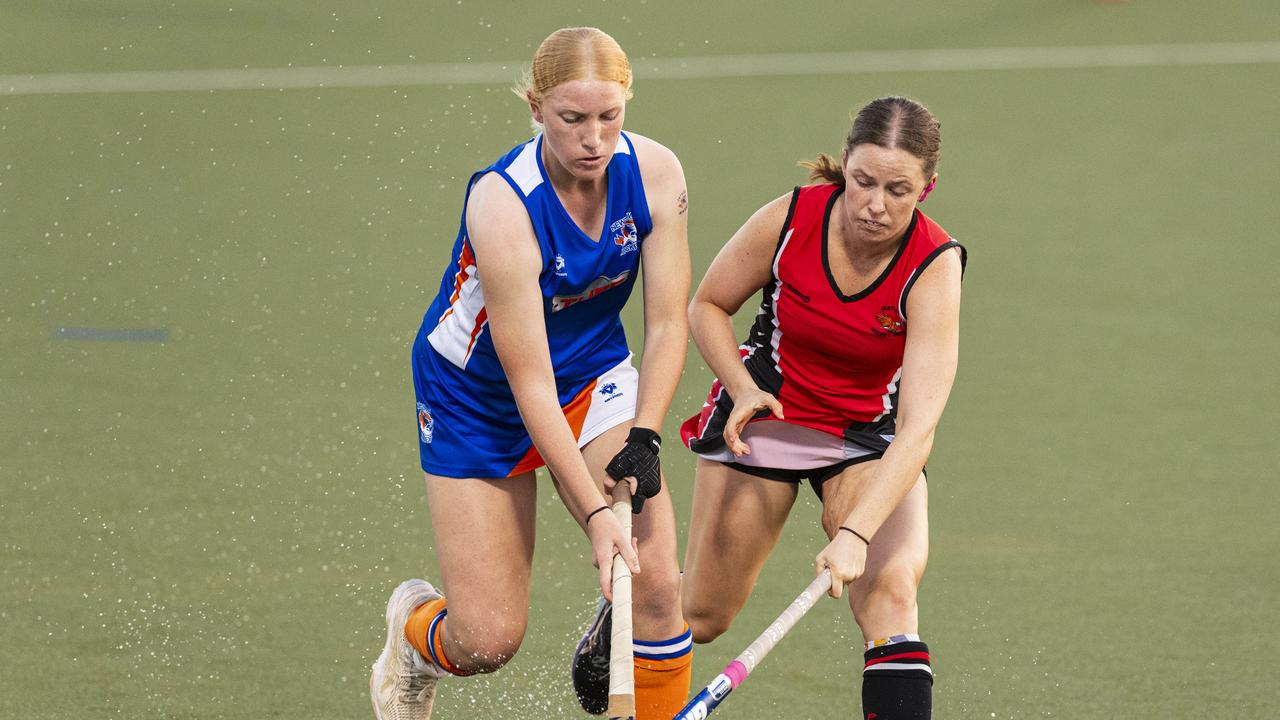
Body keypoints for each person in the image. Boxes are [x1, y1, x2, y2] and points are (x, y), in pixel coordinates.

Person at [369, 27, 693, 720]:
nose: (594, 139)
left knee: (659, 581)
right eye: (572, 119)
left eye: (610, 116)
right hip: (476, 397)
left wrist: (647, 435)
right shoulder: (503, 205)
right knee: (486, 641)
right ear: (537, 107)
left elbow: (668, 322)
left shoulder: (658, 174)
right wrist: (599, 515)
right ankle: (414, 634)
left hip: (591, 372)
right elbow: (530, 386)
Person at [679, 96, 965, 720]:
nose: (875, 204)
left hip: (868, 437)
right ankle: (620, 616)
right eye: (863, 181)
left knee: (890, 595)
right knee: (702, 617)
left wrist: (856, 533)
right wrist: (742, 386)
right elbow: (707, 305)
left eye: (899, 190)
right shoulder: (791, 218)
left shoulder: (934, 266)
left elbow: (919, 428)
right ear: (844, 167)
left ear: (927, 188)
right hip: (767, 415)